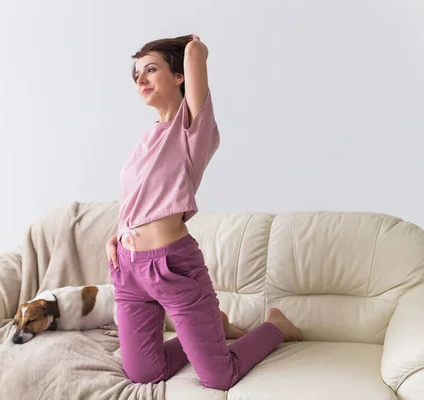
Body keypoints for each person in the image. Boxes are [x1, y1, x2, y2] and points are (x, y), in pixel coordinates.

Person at [105, 34, 301, 391]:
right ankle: (213, 331)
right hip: (129, 269)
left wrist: (185, 45)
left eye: (151, 70)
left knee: (218, 376)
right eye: (137, 76)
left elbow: (196, 50)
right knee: (144, 373)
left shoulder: (192, 129)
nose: (142, 80)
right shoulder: (146, 138)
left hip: (171, 266)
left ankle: (276, 326)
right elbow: (137, 198)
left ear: (179, 76)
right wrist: (116, 235)